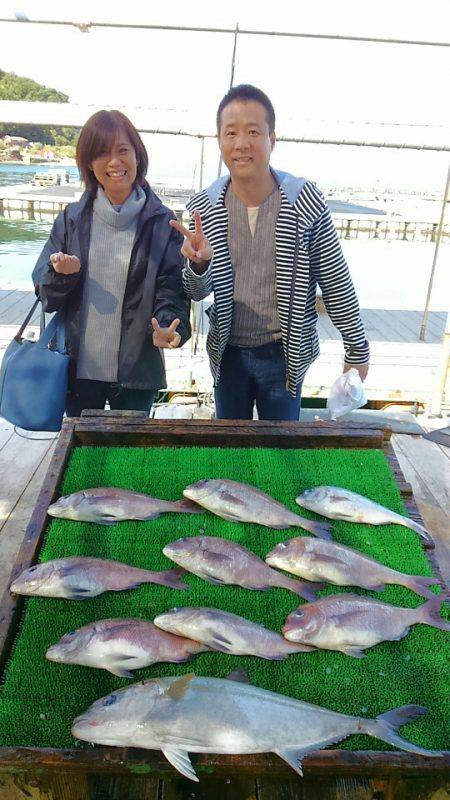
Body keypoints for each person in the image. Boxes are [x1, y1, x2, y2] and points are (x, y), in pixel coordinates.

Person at [171, 84, 369, 421]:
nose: (241, 143)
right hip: (228, 351)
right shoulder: (207, 208)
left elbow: (335, 282)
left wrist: (357, 348)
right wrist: (198, 265)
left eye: (253, 131)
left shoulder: (303, 203)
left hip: (284, 355)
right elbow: (195, 291)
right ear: (220, 140)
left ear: (271, 140)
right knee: (229, 447)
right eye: (230, 132)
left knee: (281, 450)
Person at [33, 110, 190, 417]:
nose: (114, 162)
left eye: (122, 151)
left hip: (137, 371)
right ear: (89, 164)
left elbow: (171, 289)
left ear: (137, 156)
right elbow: (46, 296)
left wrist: (170, 329)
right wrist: (61, 274)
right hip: (76, 370)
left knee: (130, 460)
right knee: (80, 458)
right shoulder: (71, 220)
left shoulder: (163, 223)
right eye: (102, 153)